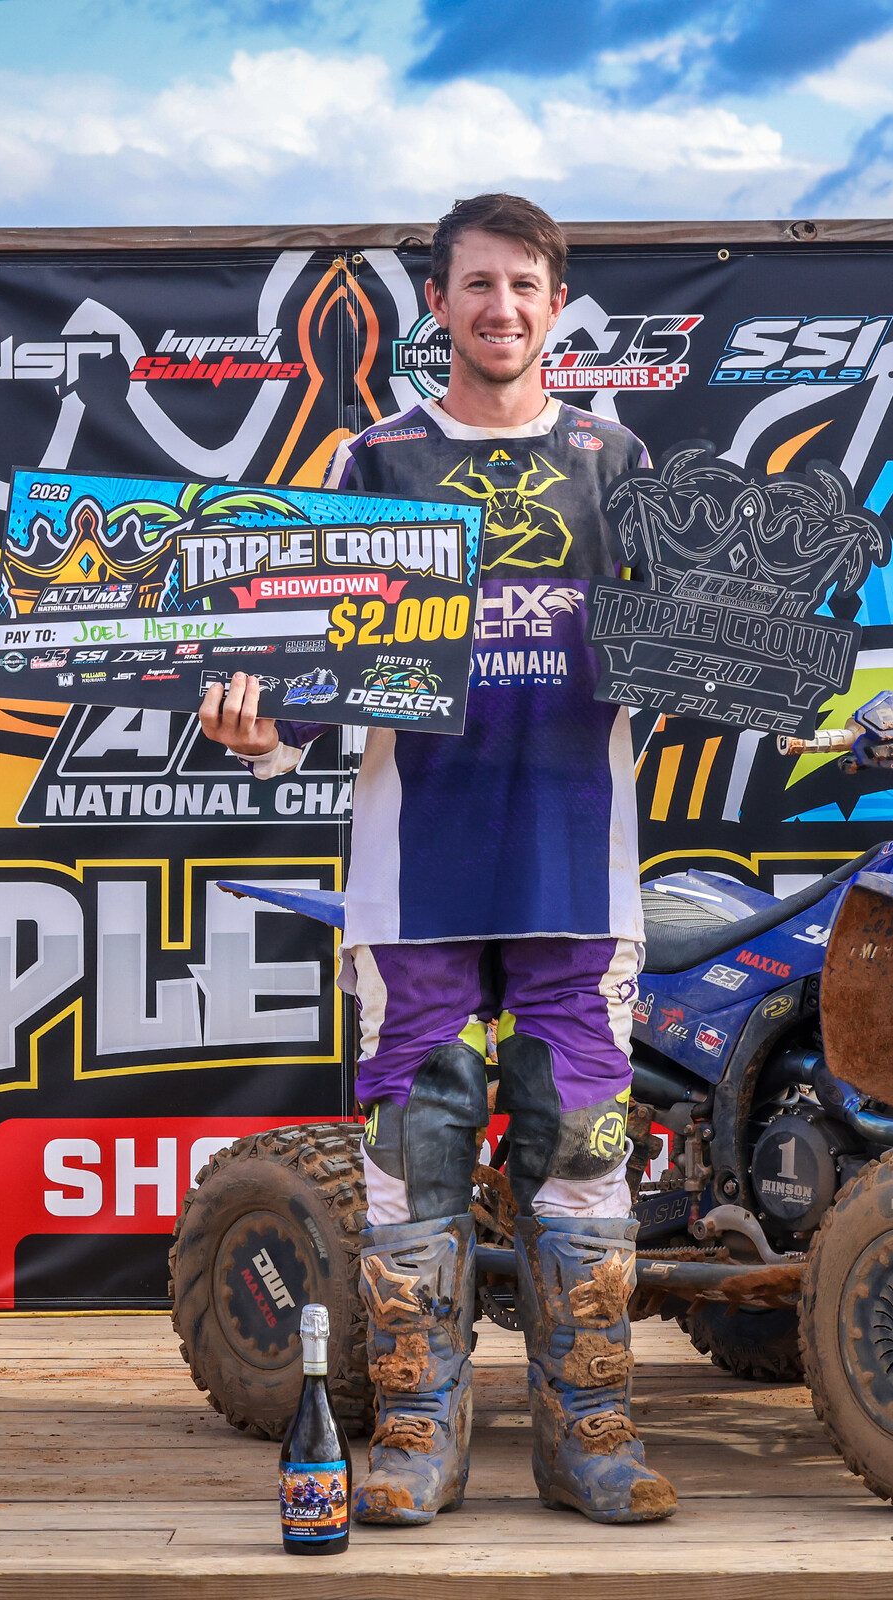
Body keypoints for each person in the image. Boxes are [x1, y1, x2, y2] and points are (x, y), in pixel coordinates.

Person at [200, 193, 673, 1527]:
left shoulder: (621, 461)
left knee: (583, 1151)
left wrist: (740, 657)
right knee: (414, 1156)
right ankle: (416, 1442)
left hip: (579, 866)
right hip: (417, 871)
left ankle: (594, 1444)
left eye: (525, 284)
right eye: (477, 285)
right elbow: (299, 673)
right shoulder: (373, 462)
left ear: (557, 299)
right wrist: (249, 721)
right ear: (437, 303)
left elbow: (691, 651)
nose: (502, 309)